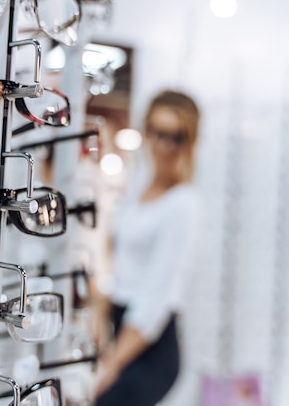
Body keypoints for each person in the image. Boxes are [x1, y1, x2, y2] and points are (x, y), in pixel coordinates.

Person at [92, 89, 202, 406]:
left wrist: (113, 362)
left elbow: (156, 299)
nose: (165, 145)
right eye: (158, 133)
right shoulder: (139, 185)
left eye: (176, 137)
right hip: (121, 326)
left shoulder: (184, 203)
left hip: (148, 344)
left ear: (189, 141)